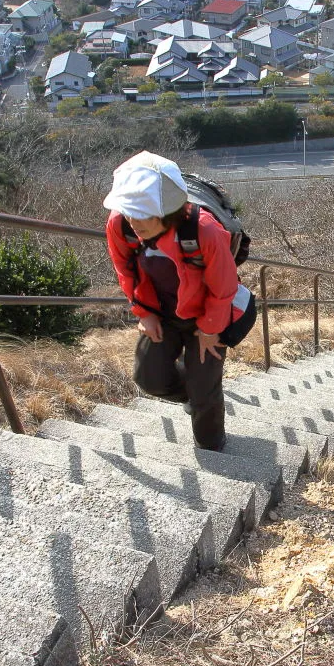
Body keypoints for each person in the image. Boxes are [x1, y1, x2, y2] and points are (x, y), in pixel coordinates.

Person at [104, 151, 237, 452]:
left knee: (204, 386)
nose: (133, 221)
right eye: (128, 211)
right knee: (149, 377)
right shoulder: (120, 225)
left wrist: (210, 328)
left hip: (206, 313)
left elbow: (224, 286)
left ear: (166, 211)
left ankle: (212, 447)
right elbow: (125, 270)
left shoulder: (203, 230)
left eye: (142, 213)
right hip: (161, 312)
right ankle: (190, 396)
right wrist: (142, 313)